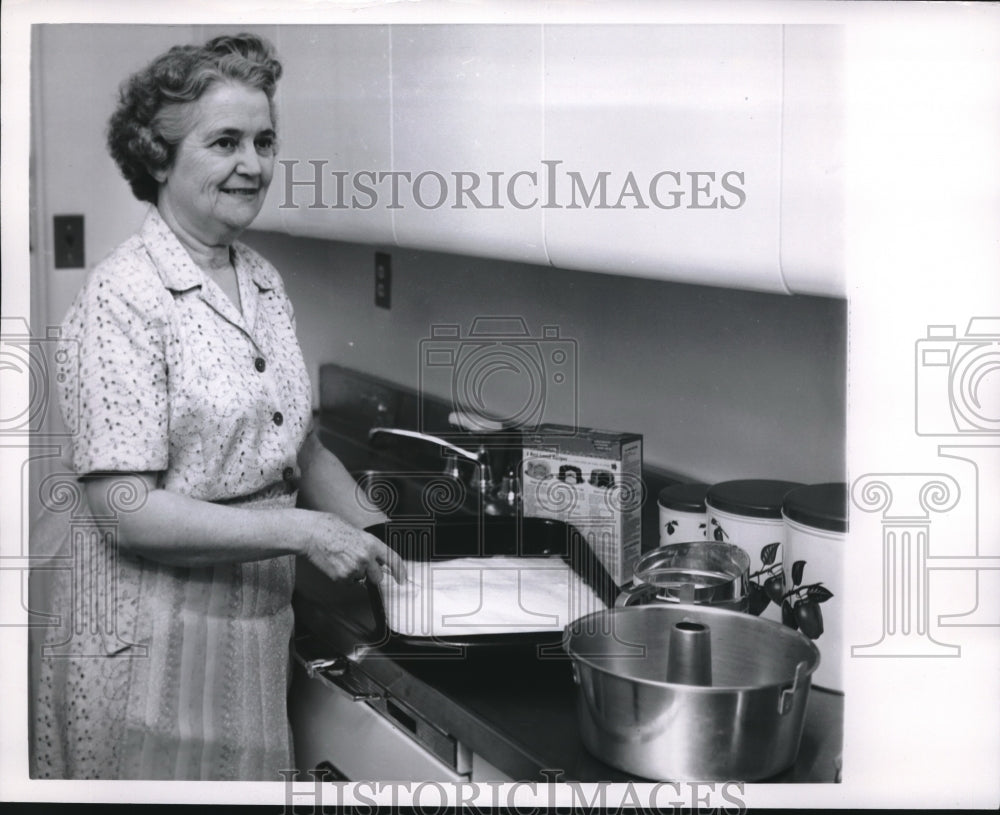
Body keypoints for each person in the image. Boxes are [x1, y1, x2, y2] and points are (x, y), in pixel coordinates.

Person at [31, 33, 404, 781]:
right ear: (159, 157)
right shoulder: (124, 295)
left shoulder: (261, 280)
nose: (253, 164)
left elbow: (301, 449)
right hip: (147, 656)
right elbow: (126, 509)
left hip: (249, 648)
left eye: (264, 141)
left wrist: (384, 544)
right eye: (225, 141)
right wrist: (303, 530)